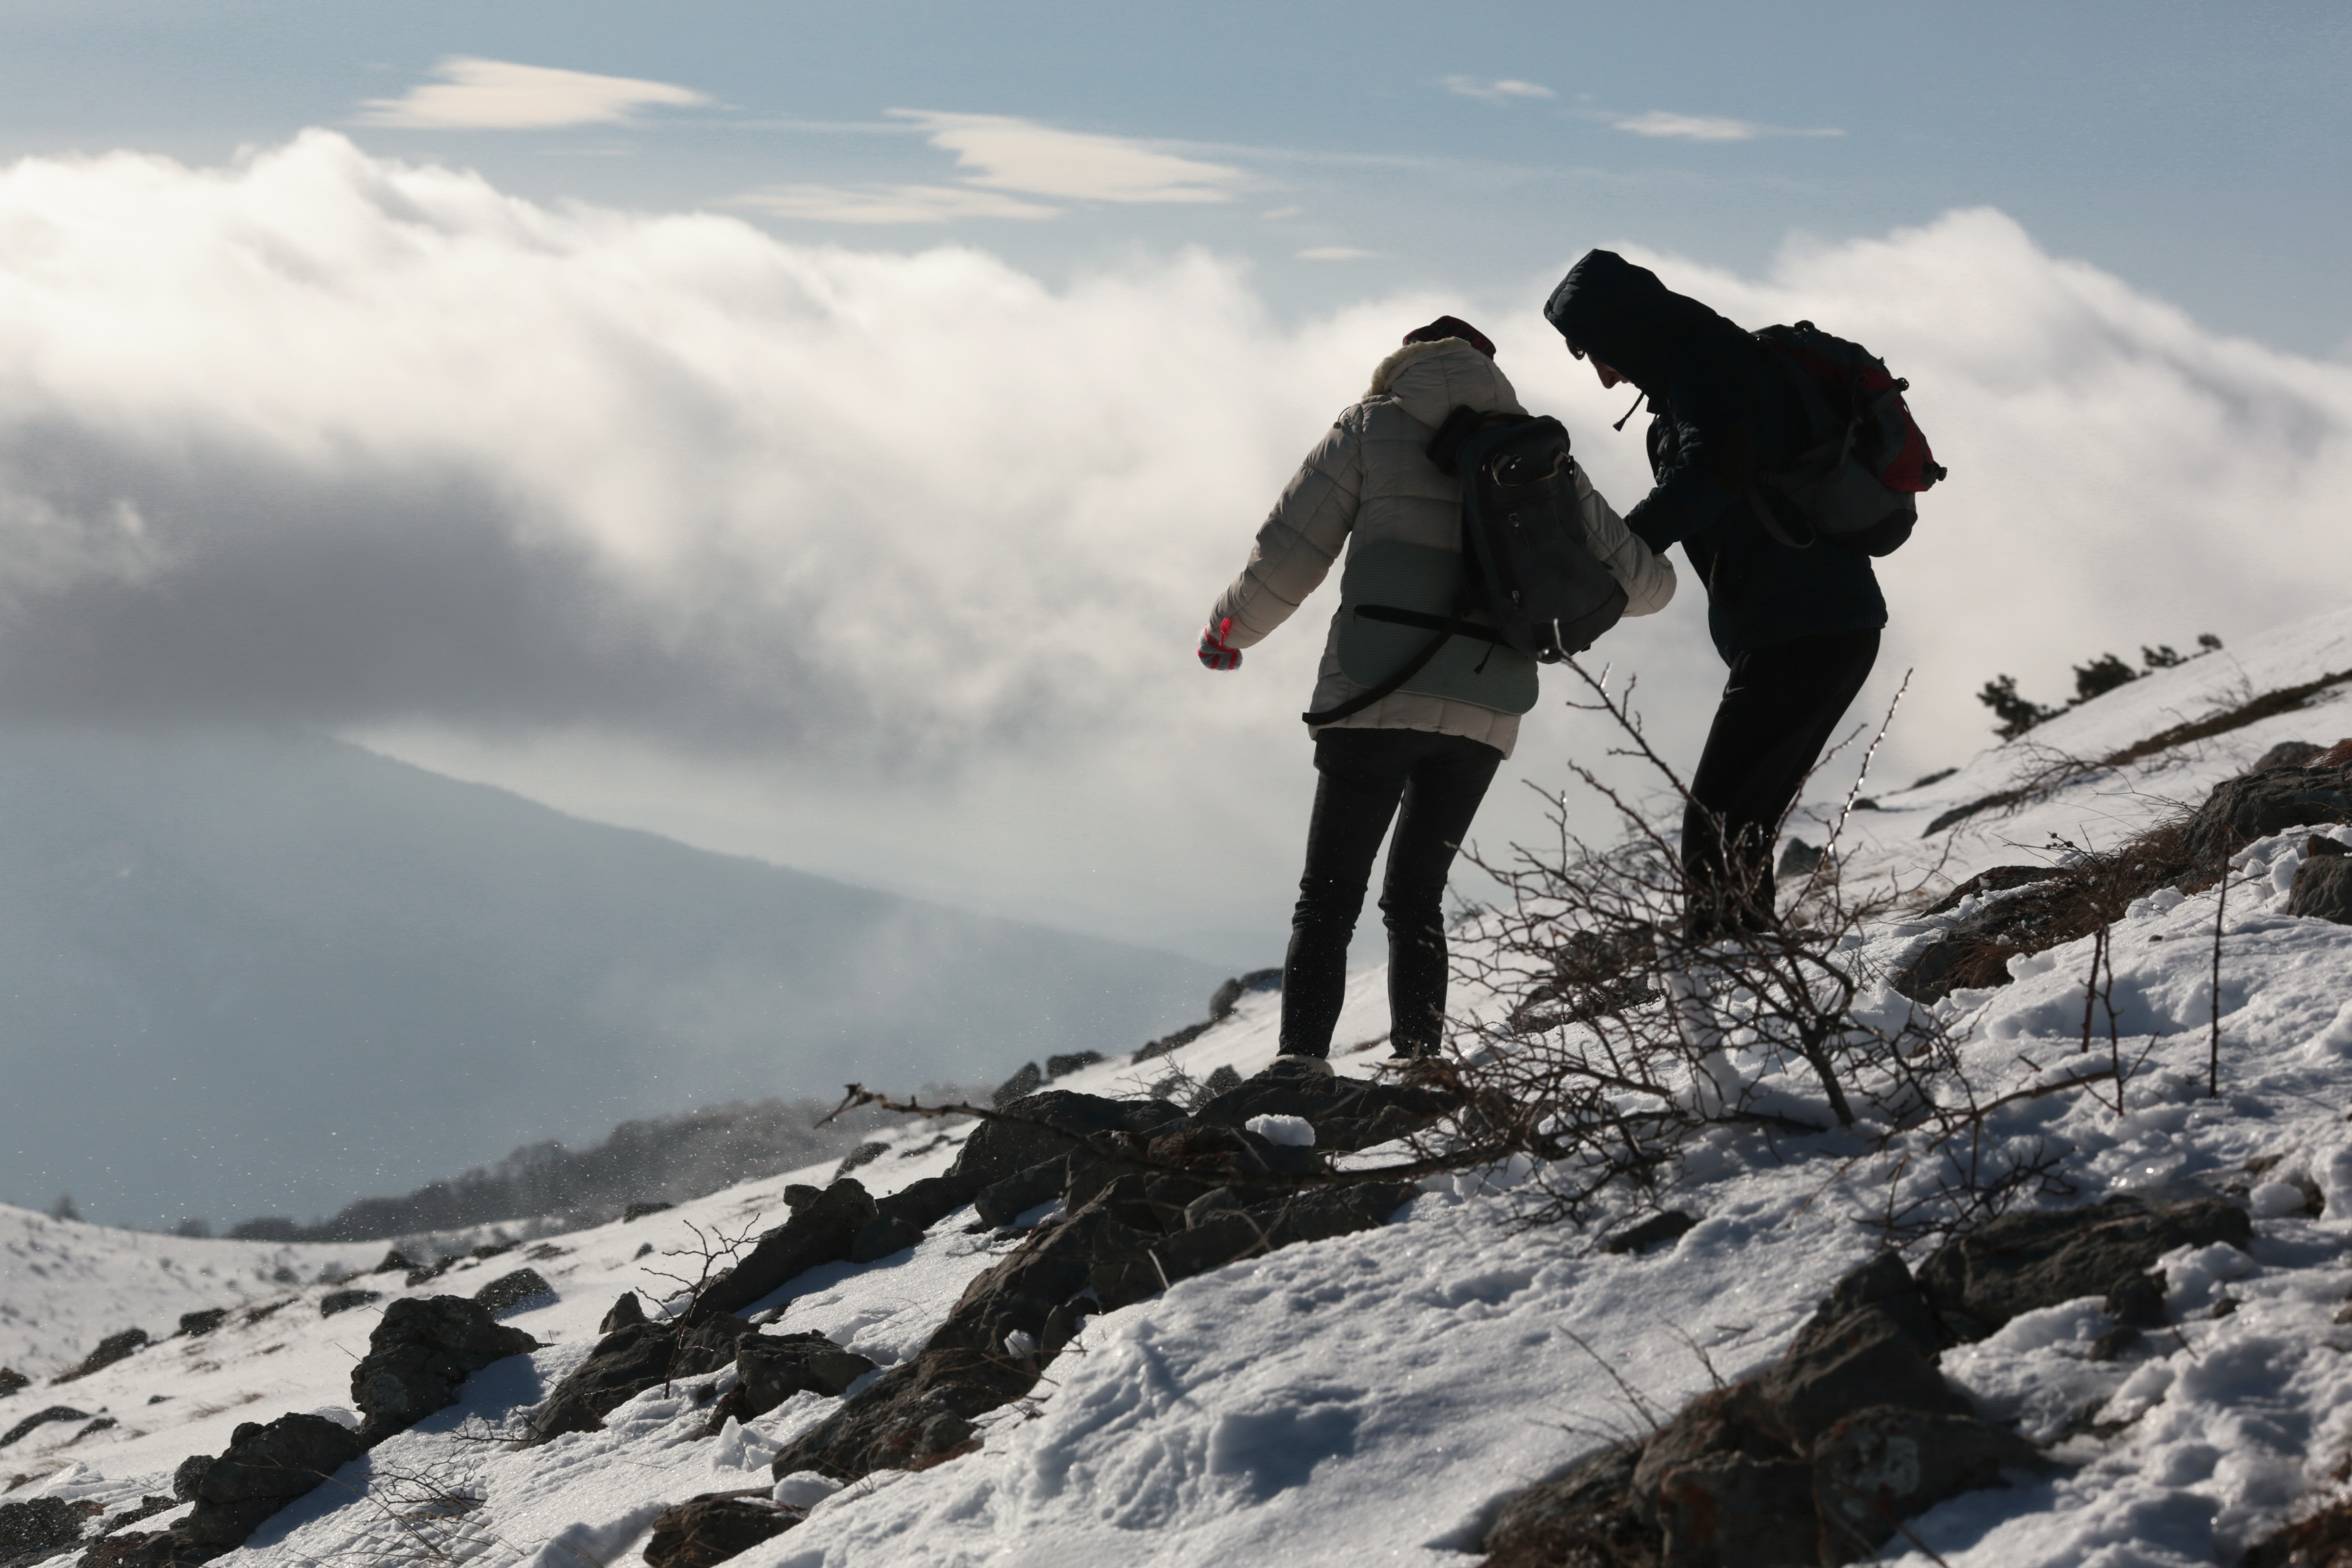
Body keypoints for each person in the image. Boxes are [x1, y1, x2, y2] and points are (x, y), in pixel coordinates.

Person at [1197, 317, 1675, 1066]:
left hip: (1374, 688)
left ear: (1405, 360)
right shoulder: (1542, 456)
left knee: (1328, 900)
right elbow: (1648, 588)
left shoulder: (1371, 426)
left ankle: (1298, 1072)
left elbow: (1290, 549)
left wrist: (1230, 630)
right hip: (1486, 704)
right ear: (1492, 369)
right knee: (1416, 897)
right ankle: (1420, 1063)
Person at [1543, 251, 1887, 937]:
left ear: (1621, 333)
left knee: (1717, 828)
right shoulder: (1698, 370)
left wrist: (1623, 551)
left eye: (1596, 355)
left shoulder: (1706, 366)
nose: (1605, 378)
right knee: (1738, 826)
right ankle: (1755, 976)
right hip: (1811, 625)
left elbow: (1714, 468)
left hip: (1804, 627)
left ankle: (1730, 980)